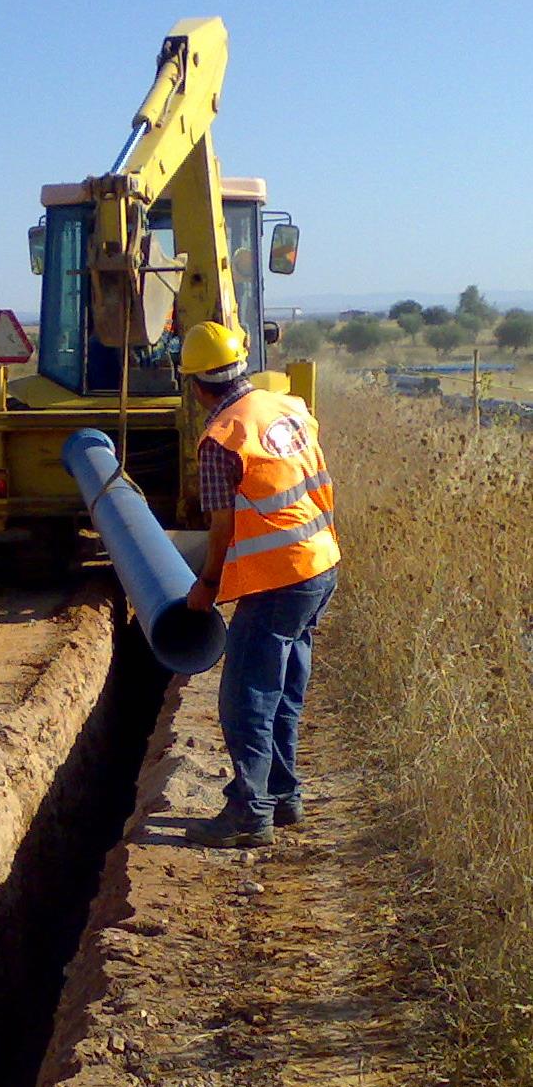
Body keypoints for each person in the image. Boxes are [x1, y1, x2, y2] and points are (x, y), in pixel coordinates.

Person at [180, 320, 340, 848]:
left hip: (280, 577)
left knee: (247, 692)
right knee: (286, 684)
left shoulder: (221, 438)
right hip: (320, 563)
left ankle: (251, 813)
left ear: (197, 385)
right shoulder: (286, 406)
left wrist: (206, 584)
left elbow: (222, 527)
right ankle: (284, 795)